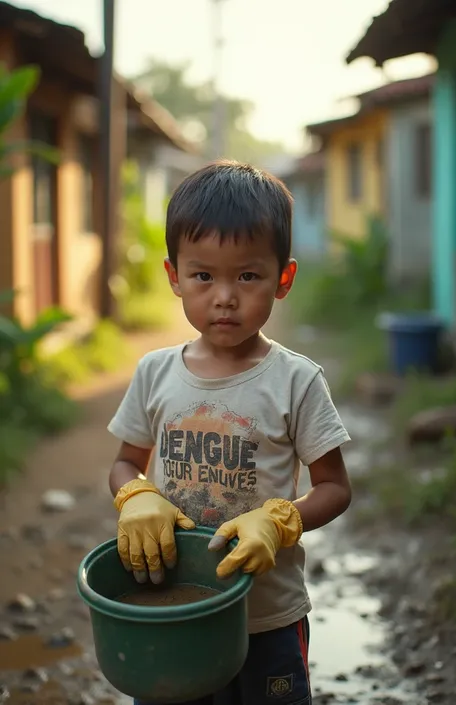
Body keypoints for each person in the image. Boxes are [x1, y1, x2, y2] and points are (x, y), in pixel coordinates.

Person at [107, 160, 352, 705]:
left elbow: (335, 487)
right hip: (175, 607)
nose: (224, 296)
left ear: (282, 279)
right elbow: (125, 462)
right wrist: (136, 494)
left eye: (247, 276)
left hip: (266, 614)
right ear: (174, 276)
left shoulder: (296, 381)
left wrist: (280, 519)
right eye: (203, 276)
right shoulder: (154, 373)